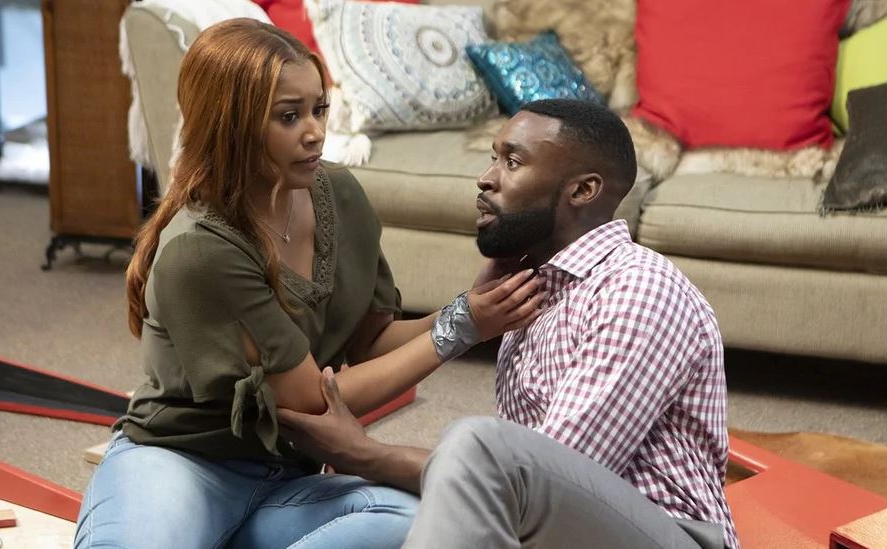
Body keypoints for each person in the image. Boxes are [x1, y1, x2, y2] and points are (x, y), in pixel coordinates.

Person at [73, 19, 544, 549]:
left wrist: (468, 310)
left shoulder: (339, 193)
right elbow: (313, 405)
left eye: (318, 108)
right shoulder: (200, 249)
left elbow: (371, 342)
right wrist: (463, 328)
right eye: (288, 116)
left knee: (421, 520)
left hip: (287, 480)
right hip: (183, 463)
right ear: (231, 125)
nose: (315, 131)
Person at [277, 99, 740, 549]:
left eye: (513, 162)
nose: (486, 178)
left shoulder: (637, 290)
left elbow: (542, 478)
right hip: (568, 529)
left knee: (475, 444)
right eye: (493, 157)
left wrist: (364, 454)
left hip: (668, 534)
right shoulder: (536, 287)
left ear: (583, 191)